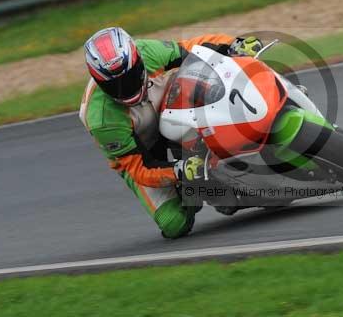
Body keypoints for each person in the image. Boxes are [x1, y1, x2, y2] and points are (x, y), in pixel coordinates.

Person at [79, 27, 262, 238]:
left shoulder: (148, 51)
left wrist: (233, 44)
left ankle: (243, 139)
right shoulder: (102, 120)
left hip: (171, 109)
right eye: (115, 86)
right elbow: (140, 169)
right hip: (144, 150)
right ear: (100, 83)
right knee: (175, 223)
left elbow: (195, 48)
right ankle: (206, 191)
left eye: (130, 77)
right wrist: (180, 171)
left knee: (200, 77)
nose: (126, 88)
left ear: (137, 60)